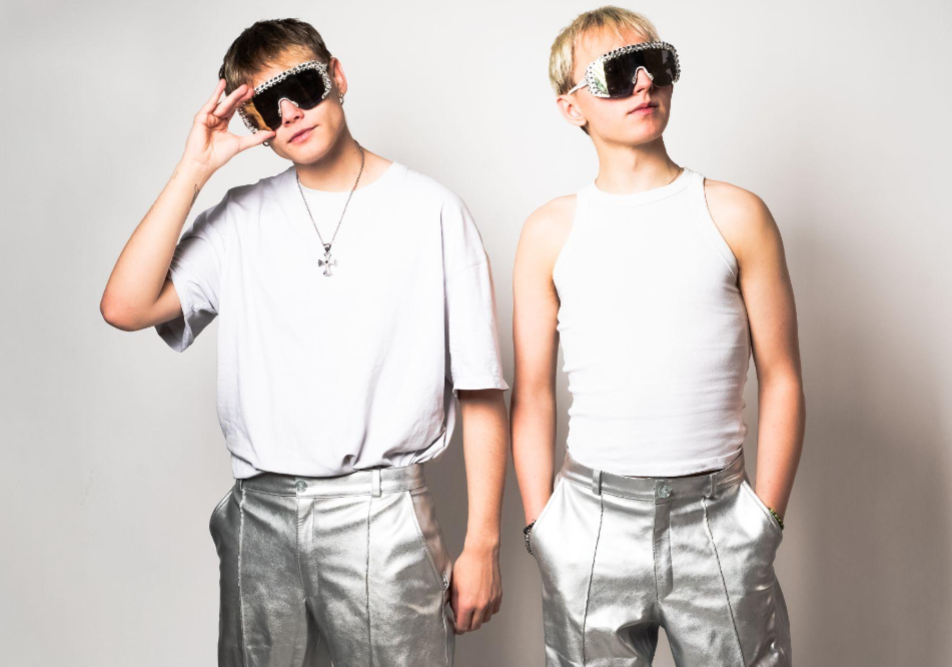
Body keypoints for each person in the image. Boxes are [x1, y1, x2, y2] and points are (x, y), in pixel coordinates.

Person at [100, 18, 509, 667]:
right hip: (260, 513)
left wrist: (482, 541)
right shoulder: (239, 218)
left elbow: (481, 388)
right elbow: (125, 306)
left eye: (303, 86)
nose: (290, 112)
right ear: (253, 121)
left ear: (336, 76)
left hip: (381, 512)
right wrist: (193, 170)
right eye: (267, 104)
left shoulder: (430, 210)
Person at [510, 6, 804, 666]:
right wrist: (542, 527)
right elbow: (531, 393)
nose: (643, 82)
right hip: (589, 521)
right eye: (616, 73)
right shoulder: (550, 231)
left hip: (719, 517)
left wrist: (765, 520)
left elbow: (782, 375)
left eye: (656, 64)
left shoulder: (735, 214)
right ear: (571, 107)